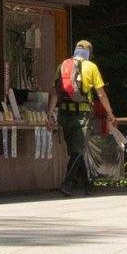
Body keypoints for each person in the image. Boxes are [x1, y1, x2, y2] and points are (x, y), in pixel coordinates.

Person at [49, 39, 117, 192]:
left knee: (75, 150)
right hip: (82, 114)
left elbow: (55, 93)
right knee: (77, 151)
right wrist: (110, 113)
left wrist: (50, 113)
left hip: (64, 113)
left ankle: (87, 185)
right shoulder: (91, 67)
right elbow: (101, 93)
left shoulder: (62, 65)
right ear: (89, 53)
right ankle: (67, 184)